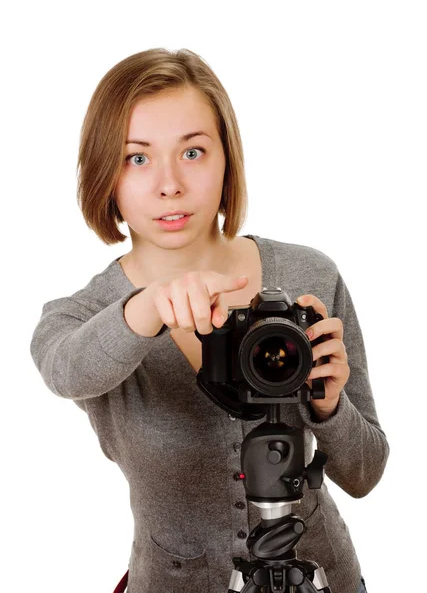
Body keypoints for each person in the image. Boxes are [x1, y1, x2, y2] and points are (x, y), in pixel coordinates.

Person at [30, 48, 388, 593]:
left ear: (227, 159)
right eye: (138, 158)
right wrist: (146, 308)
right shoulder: (85, 313)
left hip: (324, 578)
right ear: (106, 175)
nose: (169, 184)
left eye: (193, 152)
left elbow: (365, 474)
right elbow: (66, 370)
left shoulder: (307, 274)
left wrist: (329, 405)